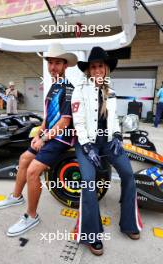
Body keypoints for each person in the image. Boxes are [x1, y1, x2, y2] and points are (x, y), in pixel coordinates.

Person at [0, 43, 78, 237]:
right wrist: (39, 133)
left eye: (58, 63)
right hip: (49, 136)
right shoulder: (53, 87)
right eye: (50, 62)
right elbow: (48, 118)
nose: (53, 67)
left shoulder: (68, 89)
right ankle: (16, 197)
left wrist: (44, 138)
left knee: (33, 171)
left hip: (62, 139)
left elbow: (64, 122)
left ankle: (31, 216)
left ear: (65, 66)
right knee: (24, 159)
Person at [71, 47, 143, 256]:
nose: (97, 70)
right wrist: (85, 145)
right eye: (93, 67)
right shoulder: (80, 90)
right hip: (88, 144)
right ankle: (91, 234)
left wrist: (118, 136)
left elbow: (114, 119)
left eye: (100, 66)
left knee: (129, 175)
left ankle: (129, 223)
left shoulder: (111, 91)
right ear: (89, 71)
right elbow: (79, 122)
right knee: (88, 182)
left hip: (108, 143)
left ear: (106, 68)